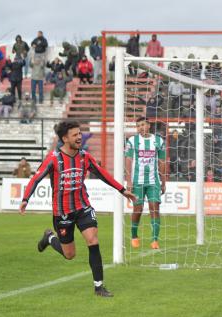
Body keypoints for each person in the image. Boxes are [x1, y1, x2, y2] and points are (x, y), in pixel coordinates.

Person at [19, 121, 136, 297]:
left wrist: (122, 190)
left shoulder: (85, 156)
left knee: (93, 240)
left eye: (80, 133)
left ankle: (99, 286)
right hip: (63, 212)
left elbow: (102, 174)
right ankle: (50, 238)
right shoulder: (53, 159)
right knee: (69, 254)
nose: (79, 137)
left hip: (83, 207)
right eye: (75, 135)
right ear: (65, 138)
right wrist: (25, 199)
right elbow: (36, 179)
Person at [125, 117, 166, 250]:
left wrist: (164, 181)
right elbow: (128, 160)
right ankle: (134, 236)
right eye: (138, 126)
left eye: (143, 125)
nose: (140, 128)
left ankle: (154, 240)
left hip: (154, 181)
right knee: (138, 209)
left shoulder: (158, 141)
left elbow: (162, 161)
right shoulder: (132, 141)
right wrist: (129, 181)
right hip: (137, 181)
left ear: (149, 125)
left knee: (155, 208)